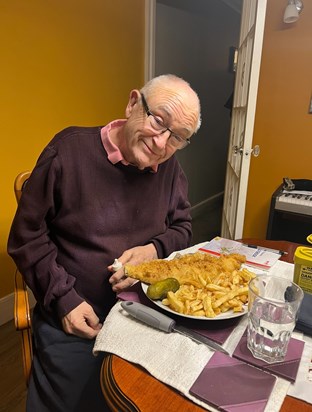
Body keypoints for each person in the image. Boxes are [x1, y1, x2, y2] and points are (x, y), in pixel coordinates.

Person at [7, 74, 201, 411]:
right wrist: (64, 299)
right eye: (158, 121)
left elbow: (183, 226)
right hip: (79, 316)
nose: (160, 144)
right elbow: (26, 237)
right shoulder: (68, 151)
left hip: (148, 313)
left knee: (175, 395)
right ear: (132, 104)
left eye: (177, 137)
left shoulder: (170, 169)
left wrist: (153, 250)